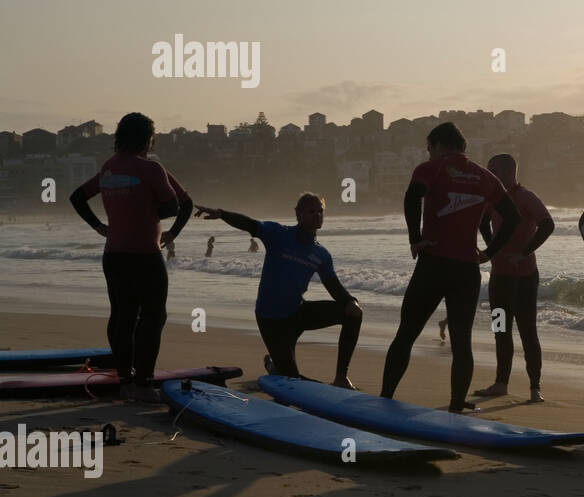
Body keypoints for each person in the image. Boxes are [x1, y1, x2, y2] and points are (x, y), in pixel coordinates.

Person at [381, 122, 520, 412]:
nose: (428, 154)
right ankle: (456, 405)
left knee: (407, 332)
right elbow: (512, 217)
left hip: (434, 264)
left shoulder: (430, 169)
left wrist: (415, 239)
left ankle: (385, 398)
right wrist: (490, 252)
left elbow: (411, 197)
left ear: (439, 145)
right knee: (461, 341)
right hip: (466, 270)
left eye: (429, 148)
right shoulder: (486, 176)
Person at [68, 112, 192, 400]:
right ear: (147, 138)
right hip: (145, 256)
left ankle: (125, 381)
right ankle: (144, 384)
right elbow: (174, 206)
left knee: (121, 317)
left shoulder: (109, 169)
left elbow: (76, 197)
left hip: (114, 255)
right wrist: (169, 231)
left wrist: (101, 226)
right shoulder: (151, 169)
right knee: (153, 316)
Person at [194, 193, 361, 388]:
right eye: (311, 211)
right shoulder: (278, 234)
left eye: (321, 211)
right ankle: (276, 367)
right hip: (272, 321)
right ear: (298, 214)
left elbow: (335, 290)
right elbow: (249, 224)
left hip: (297, 313)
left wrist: (352, 301)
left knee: (353, 314)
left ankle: (341, 377)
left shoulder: (321, 255)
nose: (317, 215)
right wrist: (222, 214)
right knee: (292, 382)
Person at [472, 154, 553, 403]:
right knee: (500, 328)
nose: (488, 174)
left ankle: (534, 388)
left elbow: (548, 225)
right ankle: (501, 383)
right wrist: (491, 250)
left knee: (528, 330)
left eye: (492, 170)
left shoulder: (525, 197)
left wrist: (524, 252)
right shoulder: (494, 199)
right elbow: (483, 222)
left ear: (508, 172)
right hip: (500, 276)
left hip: (525, 276)